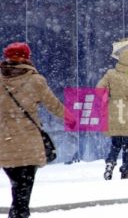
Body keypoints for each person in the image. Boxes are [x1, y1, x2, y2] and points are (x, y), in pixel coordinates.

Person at [0, 42, 75, 218]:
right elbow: (53, 104)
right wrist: (70, 118)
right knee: (22, 193)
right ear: (27, 57)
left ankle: (17, 212)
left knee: (17, 187)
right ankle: (19, 213)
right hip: (28, 143)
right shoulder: (35, 81)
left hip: (4, 142)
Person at [97, 49, 128, 180]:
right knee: (127, 146)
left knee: (115, 144)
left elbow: (99, 89)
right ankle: (125, 171)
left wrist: (110, 96)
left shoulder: (111, 74)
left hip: (113, 113)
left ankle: (110, 163)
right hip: (127, 114)